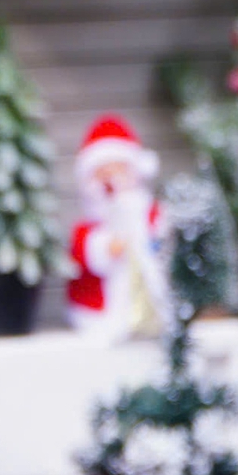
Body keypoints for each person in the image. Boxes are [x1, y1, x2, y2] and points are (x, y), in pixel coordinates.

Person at [65, 113, 169, 342]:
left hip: (152, 305)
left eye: (119, 171)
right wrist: (105, 248)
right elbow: (83, 254)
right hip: (100, 315)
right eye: (103, 174)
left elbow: (164, 241)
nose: (111, 181)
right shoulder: (87, 229)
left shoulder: (150, 214)